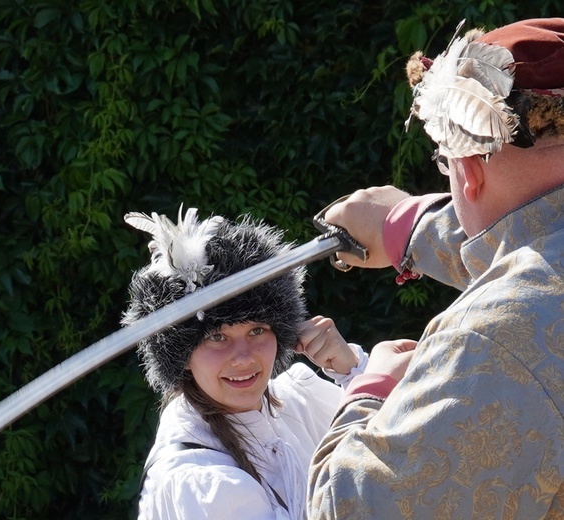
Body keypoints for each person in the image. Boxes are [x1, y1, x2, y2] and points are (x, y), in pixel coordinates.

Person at [307, 18, 564, 519]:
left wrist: (372, 391)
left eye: (445, 164)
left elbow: (351, 509)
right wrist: (409, 227)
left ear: (466, 172)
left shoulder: (490, 340)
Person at [121, 205, 415, 519]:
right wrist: (372, 389)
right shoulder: (199, 481)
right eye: (217, 337)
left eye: (257, 330)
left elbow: (411, 449)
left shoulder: (296, 400)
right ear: (182, 355)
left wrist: (351, 371)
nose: (244, 357)